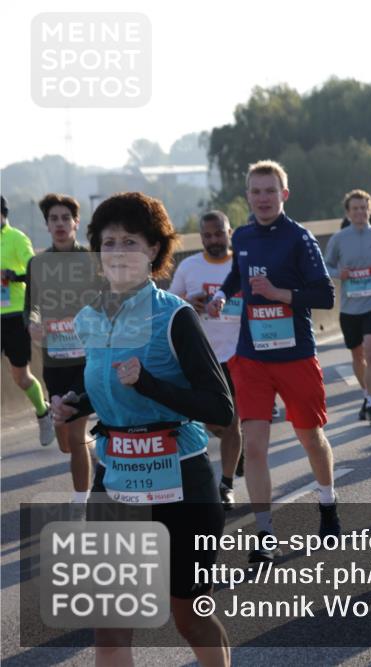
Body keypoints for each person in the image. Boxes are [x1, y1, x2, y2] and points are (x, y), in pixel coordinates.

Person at [50, 191, 233, 666]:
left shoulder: (174, 316)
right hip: (115, 484)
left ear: (153, 250)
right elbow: (106, 384)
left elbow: (220, 408)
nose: (117, 253)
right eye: (108, 243)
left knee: (188, 618)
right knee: (110, 629)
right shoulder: (90, 318)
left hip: (182, 484)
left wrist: (150, 383)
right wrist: (75, 406)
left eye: (130, 241)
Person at [206, 160, 339, 563]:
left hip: (296, 355)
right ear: (247, 196)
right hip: (251, 358)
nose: (263, 197)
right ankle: (264, 533)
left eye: (270, 190)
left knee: (310, 437)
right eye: (256, 191)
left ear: (285, 193)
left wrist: (281, 293)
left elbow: (325, 296)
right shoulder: (243, 235)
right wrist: (222, 296)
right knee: (256, 446)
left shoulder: (299, 239)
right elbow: (236, 276)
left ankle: (328, 503)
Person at [169, 211, 244, 510]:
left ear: (230, 232)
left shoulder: (241, 264)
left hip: (238, 354)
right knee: (215, 424)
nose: (214, 240)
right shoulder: (189, 266)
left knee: (232, 422)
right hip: (201, 358)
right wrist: (190, 302)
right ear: (201, 237)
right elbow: (171, 303)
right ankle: (236, 450)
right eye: (207, 236)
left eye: (219, 234)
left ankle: (225, 485)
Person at [24, 193, 95, 503]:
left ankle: (82, 502)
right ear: (47, 225)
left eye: (66, 218)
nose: (61, 224)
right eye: (54, 219)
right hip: (54, 362)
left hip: (85, 361)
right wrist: (33, 324)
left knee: (77, 435)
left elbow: (106, 302)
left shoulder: (92, 260)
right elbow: (31, 308)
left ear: (76, 223)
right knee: (65, 441)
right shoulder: (37, 263)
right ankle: (96, 452)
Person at [325, 189, 371, 426]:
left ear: (369, 209)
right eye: (355, 209)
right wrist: (338, 274)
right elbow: (326, 266)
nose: (360, 212)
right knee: (357, 355)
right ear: (348, 212)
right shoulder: (339, 239)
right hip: (349, 308)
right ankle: (367, 396)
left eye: (364, 208)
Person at [0, 195, 55, 445]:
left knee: (21, 377)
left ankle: (43, 413)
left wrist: (13, 275)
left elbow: (33, 272)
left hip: (13, 316)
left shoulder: (16, 238)